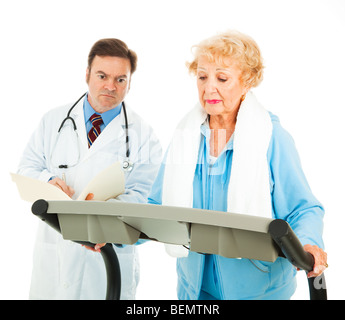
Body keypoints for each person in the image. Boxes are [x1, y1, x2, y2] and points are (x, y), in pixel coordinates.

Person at [148, 30, 327, 300]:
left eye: (222, 78)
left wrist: (309, 243)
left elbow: (303, 208)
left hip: (257, 290)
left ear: (248, 81)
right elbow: (155, 207)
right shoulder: (185, 138)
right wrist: (109, 232)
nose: (209, 88)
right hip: (194, 291)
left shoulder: (272, 138)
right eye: (202, 76)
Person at [18, 38, 162, 299]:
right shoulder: (53, 120)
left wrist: (106, 215)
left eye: (121, 79)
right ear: (87, 74)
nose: (110, 86)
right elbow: (28, 166)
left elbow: (145, 196)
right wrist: (47, 180)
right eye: (102, 75)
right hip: (56, 251)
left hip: (107, 252)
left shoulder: (143, 135)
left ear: (130, 83)